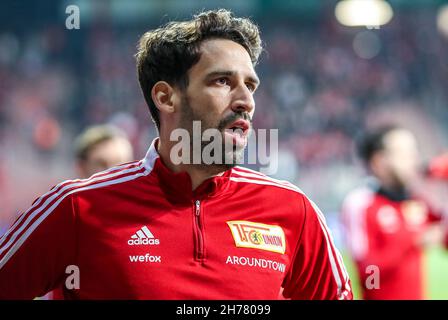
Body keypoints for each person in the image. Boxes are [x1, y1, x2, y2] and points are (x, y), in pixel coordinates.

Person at [0, 9, 352, 300]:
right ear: (166, 97)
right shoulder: (78, 207)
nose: (246, 101)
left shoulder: (293, 210)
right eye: (222, 82)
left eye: (250, 84)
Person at [341, 125, 445, 300]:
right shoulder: (361, 204)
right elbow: (368, 274)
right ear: (378, 162)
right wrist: (413, 240)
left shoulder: (415, 201)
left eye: (414, 152)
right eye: (404, 154)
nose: (414, 160)